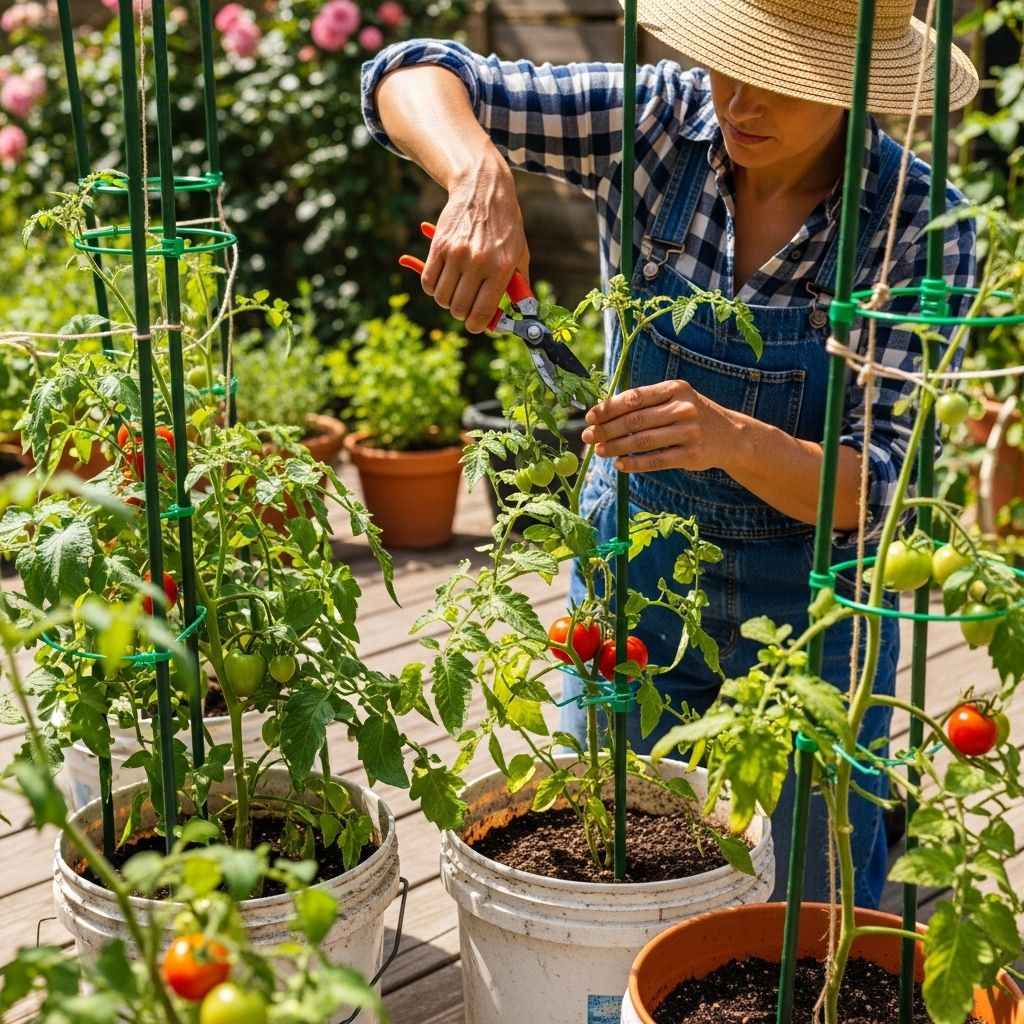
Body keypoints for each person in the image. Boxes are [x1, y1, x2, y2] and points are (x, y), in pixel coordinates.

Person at [360, 0, 978, 908]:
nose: (742, 100)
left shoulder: (916, 224)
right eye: (735, 62)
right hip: (630, 590)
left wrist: (729, 437)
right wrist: (477, 172)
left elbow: (882, 489)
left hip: (809, 636)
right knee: (601, 888)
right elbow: (405, 75)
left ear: (855, 91)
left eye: (785, 79)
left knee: (802, 922)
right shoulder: (658, 121)